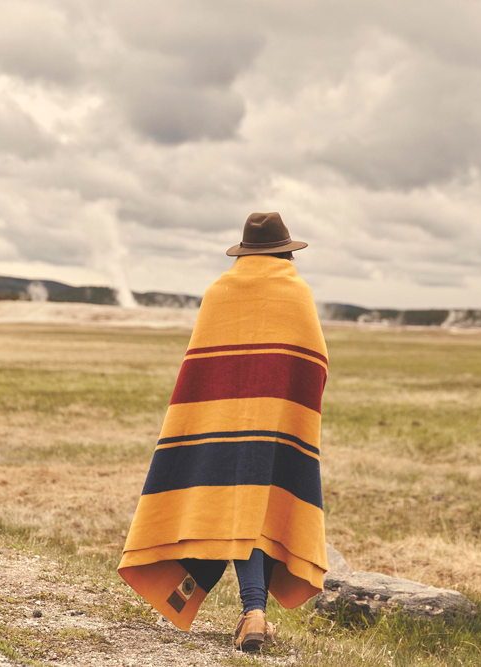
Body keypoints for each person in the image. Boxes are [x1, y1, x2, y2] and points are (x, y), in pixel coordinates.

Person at [118, 212, 329, 652]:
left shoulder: (219, 292)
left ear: (245, 251)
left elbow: (202, 363)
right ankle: (254, 612)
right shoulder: (297, 293)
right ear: (286, 251)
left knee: (233, 506)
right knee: (260, 508)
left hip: (219, 419)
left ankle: (189, 592)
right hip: (275, 419)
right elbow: (316, 362)